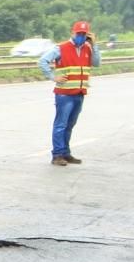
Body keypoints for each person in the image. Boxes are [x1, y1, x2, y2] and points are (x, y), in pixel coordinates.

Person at [38, 21, 101, 166]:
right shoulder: (61, 48)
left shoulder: (88, 48)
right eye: (79, 33)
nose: (81, 36)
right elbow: (42, 61)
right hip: (64, 94)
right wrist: (53, 77)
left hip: (79, 92)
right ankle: (57, 154)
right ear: (72, 33)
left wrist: (94, 45)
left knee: (70, 124)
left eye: (84, 34)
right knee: (61, 124)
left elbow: (96, 63)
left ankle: (66, 153)